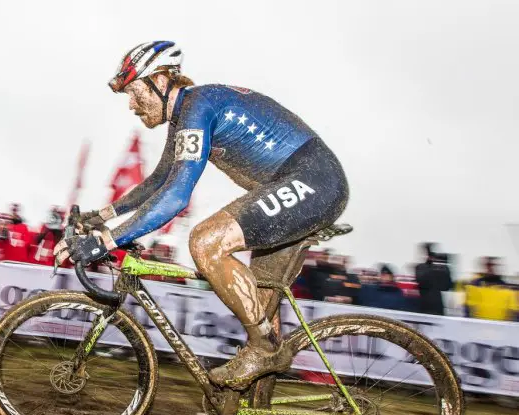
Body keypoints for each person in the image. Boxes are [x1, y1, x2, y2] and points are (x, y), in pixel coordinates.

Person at [54, 41, 349, 391]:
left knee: (206, 241)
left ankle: (265, 350)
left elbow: (177, 196)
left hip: (314, 181)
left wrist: (107, 240)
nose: (131, 105)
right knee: (259, 312)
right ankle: (247, 407)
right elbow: (159, 181)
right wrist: (100, 216)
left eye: (134, 93)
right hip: (302, 187)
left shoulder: (197, 106)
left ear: (160, 82)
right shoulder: (185, 117)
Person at [415, 242, 452, 315]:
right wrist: (432, 267)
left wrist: (442, 267)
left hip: (438, 307)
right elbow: (421, 280)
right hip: (424, 307)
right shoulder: (420, 267)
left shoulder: (441, 268)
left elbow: (447, 286)